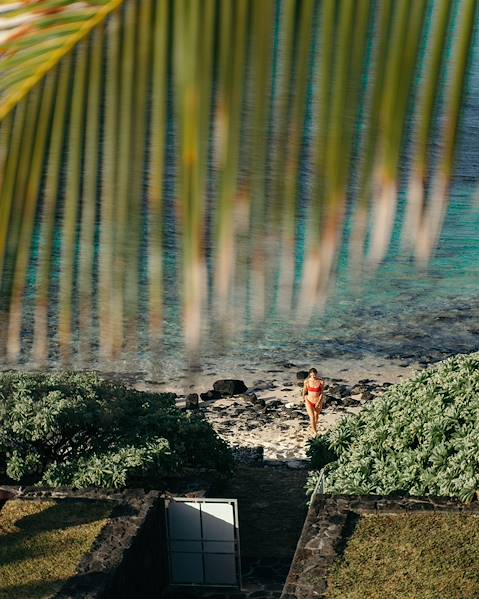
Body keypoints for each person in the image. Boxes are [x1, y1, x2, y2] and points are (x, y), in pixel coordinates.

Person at [303, 367, 325, 435]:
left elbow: (321, 393)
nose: (313, 376)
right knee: (312, 417)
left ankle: (313, 428)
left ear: (316, 374)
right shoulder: (306, 381)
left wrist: (318, 402)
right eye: (311, 375)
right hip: (309, 401)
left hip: (318, 401)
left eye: (314, 375)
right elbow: (304, 391)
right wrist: (303, 398)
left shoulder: (321, 382)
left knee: (316, 416)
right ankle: (315, 432)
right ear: (309, 374)